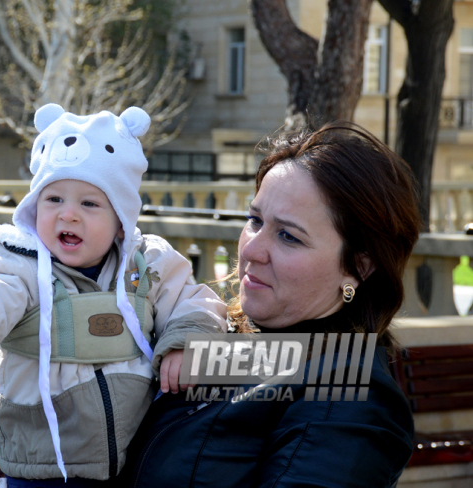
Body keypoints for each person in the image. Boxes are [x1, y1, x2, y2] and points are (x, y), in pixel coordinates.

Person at [0, 104, 226, 486]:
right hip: (43, 466)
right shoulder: (18, 264)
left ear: (121, 221)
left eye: (89, 203)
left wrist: (185, 342)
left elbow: (194, 300)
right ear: (34, 207)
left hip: (136, 460)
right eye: (53, 200)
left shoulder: (146, 263)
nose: (68, 215)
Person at [120, 121, 420, 487]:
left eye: (288, 236)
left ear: (359, 266)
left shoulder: (350, 395)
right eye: (254, 220)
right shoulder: (217, 332)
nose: (250, 249)